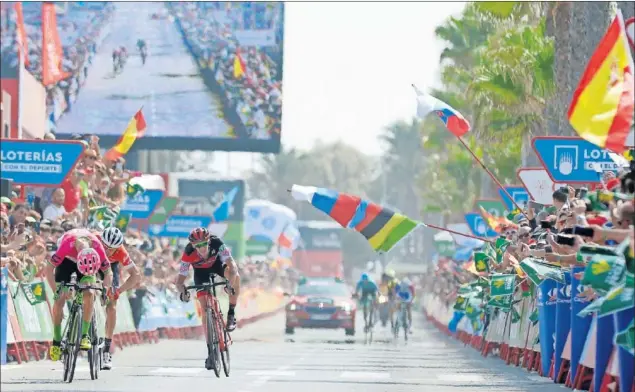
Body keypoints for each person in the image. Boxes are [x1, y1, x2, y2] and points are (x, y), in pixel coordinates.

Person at [176, 228, 241, 367]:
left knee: (236, 277)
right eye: (198, 245)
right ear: (193, 246)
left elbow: (233, 266)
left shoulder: (217, 242)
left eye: (204, 244)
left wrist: (229, 284)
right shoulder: (188, 253)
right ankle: (211, 352)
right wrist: (183, 292)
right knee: (205, 310)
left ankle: (231, 313)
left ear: (209, 241)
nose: (202, 248)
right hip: (200, 274)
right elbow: (180, 281)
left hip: (217, 265)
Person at [46, 229, 112, 361]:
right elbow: (48, 269)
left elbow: (108, 272)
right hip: (66, 262)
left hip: (88, 266)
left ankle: (85, 335)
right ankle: (57, 341)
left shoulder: (97, 246)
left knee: (89, 293)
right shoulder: (66, 245)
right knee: (60, 299)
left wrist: (105, 290)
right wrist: (56, 291)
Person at [99, 227, 140, 370]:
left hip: (111, 268)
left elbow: (136, 275)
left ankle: (106, 350)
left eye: (113, 249)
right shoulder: (93, 241)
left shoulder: (121, 251)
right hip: (92, 262)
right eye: (107, 247)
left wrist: (119, 291)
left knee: (111, 306)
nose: (109, 251)